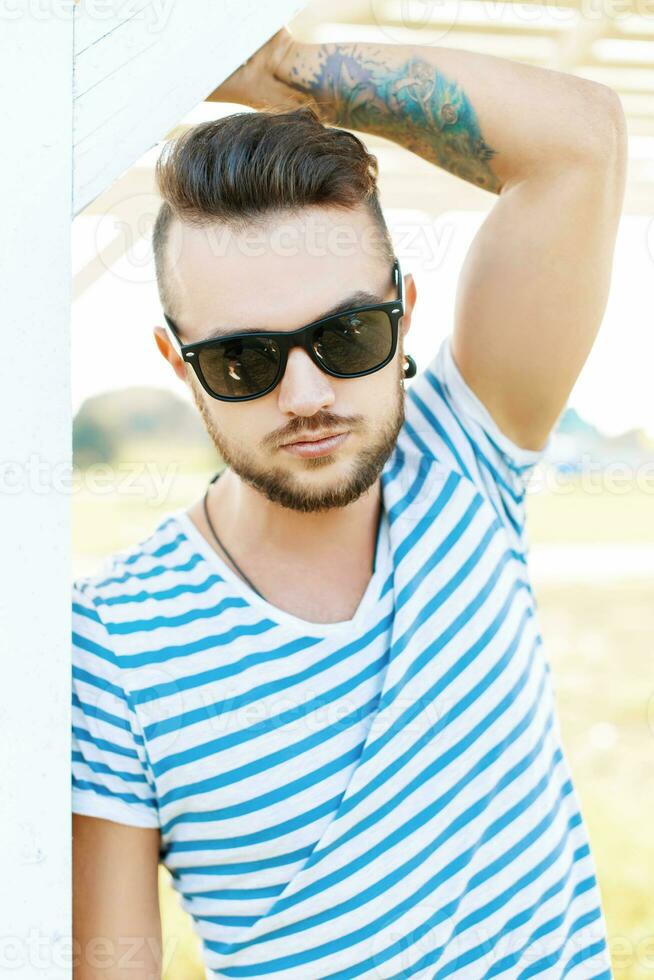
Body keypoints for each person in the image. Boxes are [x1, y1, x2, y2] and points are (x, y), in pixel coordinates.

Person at [71, 26, 627, 979]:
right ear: (180, 365)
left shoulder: (464, 459)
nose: (307, 396)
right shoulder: (112, 643)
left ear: (403, 310)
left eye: (348, 336)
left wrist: (269, 69)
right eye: (243, 360)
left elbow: (583, 138)